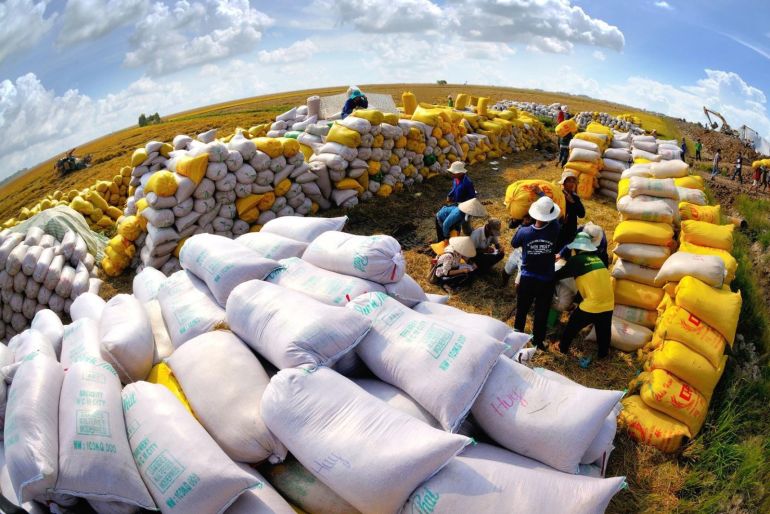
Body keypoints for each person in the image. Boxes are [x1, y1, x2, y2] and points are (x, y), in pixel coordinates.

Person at [550, 233, 614, 360]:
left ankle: (562, 347)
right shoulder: (598, 259)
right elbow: (589, 283)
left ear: (576, 248)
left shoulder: (577, 260)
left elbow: (558, 276)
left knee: (572, 326)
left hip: (592, 304)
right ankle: (603, 354)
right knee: (604, 332)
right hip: (609, 302)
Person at [512, 196, 561, 350]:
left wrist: (524, 224)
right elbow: (555, 218)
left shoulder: (524, 232)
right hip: (546, 279)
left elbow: (514, 243)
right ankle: (538, 341)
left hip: (527, 278)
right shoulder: (555, 229)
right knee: (541, 311)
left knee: (522, 308)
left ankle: (517, 335)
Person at [555, 171, 585, 252]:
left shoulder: (575, 197)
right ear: (563, 183)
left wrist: (573, 202)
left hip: (570, 230)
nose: (571, 184)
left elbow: (582, 214)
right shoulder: (558, 196)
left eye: (573, 181)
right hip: (558, 231)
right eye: (568, 181)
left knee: (566, 254)